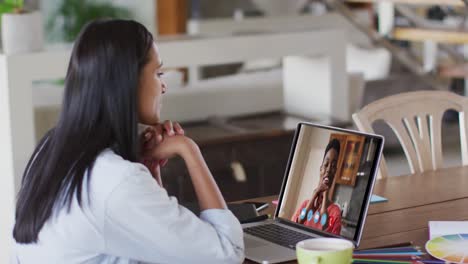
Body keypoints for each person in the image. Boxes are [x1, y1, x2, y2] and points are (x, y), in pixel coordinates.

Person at [12, 19, 244, 264]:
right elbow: (227, 253)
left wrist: (151, 170)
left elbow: (159, 246)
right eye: (158, 73)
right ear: (127, 82)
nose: (163, 86)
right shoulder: (116, 179)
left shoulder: (51, 150)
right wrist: (189, 150)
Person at [291, 139, 342, 235]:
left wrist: (325, 199)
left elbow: (330, 241)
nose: (328, 170)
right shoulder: (305, 204)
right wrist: (314, 195)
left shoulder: (335, 212)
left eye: (333, 166)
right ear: (320, 168)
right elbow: (294, 227)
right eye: (326, 165)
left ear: (335, 171)